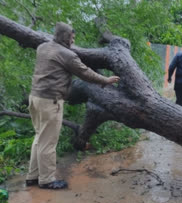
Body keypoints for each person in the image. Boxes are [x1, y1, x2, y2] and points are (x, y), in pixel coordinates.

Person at [25, 22, 120, 189]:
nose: (73, 41)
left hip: (35, 98)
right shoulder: (67, 55)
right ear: (65, 37)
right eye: (72, 38)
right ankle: (46, 180)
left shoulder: (43, 47)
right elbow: (86, 73)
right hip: (50, 101)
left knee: (39, 137)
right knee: (48, 142)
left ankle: (32, 176)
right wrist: (106, 80)